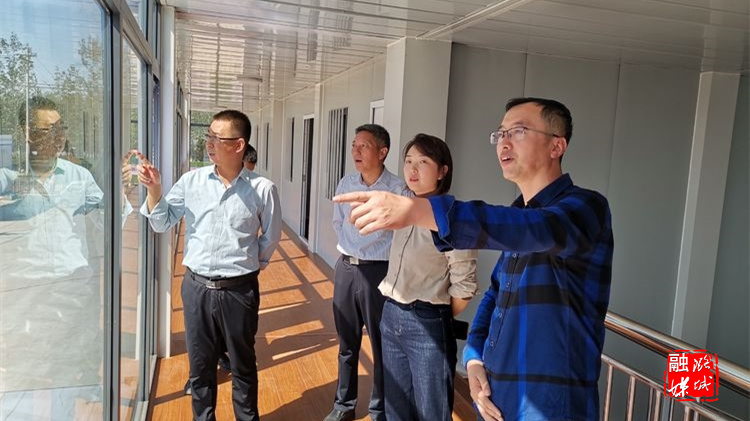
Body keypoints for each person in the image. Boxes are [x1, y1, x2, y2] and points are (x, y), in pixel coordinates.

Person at [335, 98, 614, 421]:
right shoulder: (518, 214)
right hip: (495, 395)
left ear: (557, 146)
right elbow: (496, 295)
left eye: (518, 131)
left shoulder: (586, 208)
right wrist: (475, 357)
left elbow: (537, 229)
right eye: (500, 133)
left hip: (550, 404)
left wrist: (417, 210)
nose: (504, 142)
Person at [138, 109, 281, 421]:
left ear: (239, 145)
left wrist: (247, 265)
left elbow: (270, 238)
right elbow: (162, 222)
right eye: (209, 136)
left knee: (243, 365)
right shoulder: (192, 181)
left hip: (239, 291)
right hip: (197, 288)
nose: (209, 143)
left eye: (218, 137)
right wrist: (154, 190)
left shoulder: (262, 189)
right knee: (201, 367)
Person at [0, 96, 105, 417]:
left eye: (61, 128)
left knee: (64, 370)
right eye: (50, 130)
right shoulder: (8, 177)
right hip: (22, 290)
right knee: (20, 370)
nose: (59, 137)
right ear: (27, 133)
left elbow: (109, 220)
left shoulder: (79, 177)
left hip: (70, 286)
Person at [378, 133, 478, 421]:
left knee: (431, 412)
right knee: (395, 408)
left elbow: (465, 285)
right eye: (409, 161)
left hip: (426, 321)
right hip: (391, 314)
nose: (412, 169)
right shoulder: (404, 206)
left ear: (442, 171)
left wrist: (435, 312)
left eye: (423, 162)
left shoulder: (453, 217)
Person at [325, 123, 408, 421]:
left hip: (380, 274)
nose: (356, 151)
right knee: (347, 343)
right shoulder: (346, 183)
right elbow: (338, 222)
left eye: (364, 146)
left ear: (382, 152)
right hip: (347, 269)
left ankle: (379, 409)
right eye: (354, 145)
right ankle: (343, 406)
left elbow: (404, 233)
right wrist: (352, 247)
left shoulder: (397, 189)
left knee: (383, 345)